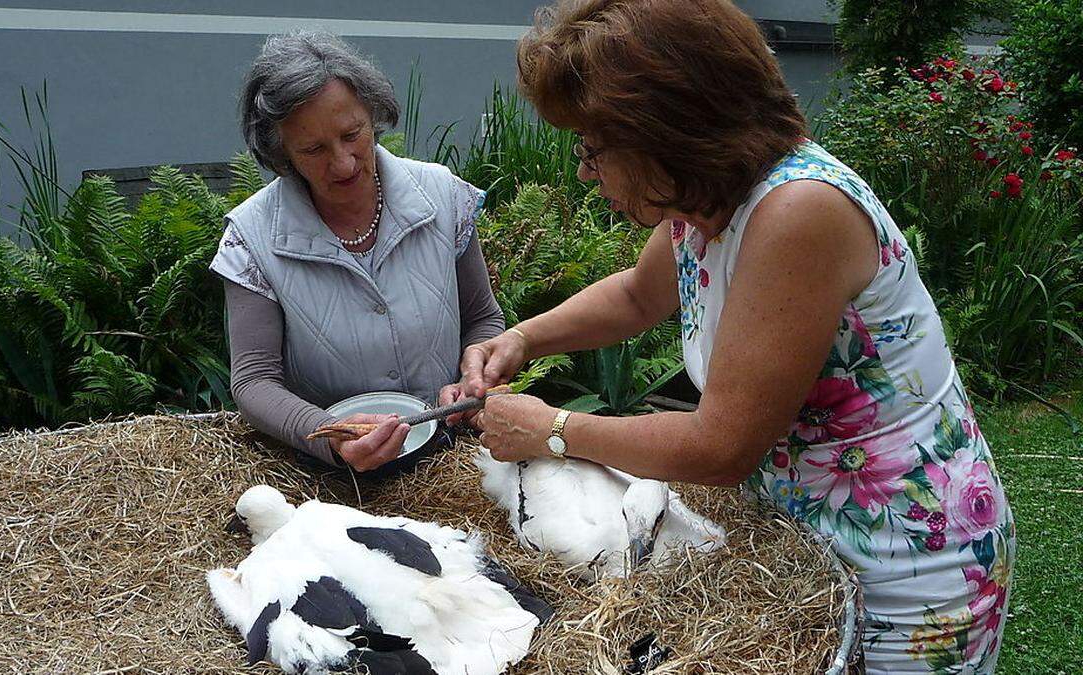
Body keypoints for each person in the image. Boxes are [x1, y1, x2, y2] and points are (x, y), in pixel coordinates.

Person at [459, 1, 1015, 672]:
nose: (584, 170)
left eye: (593, 146)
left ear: (663, 130)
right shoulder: (703, 202)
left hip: (910, 565)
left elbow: (722, 446)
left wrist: (551, 427)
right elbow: (639, 295)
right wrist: (521, 339)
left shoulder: (797, 212)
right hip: (814, 546)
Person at [211, 32, 504, 473]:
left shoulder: (442, 196)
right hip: (331, 482)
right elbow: (254, 382)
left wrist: (471, 379)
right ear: (280, 153)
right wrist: (329, 435)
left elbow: (483, 319)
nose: (344, 162)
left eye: (353, 134)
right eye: (313, 149)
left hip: (454, 457)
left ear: (374, 114)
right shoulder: (251, 239)